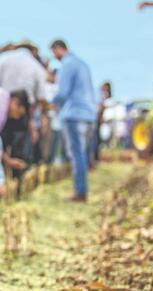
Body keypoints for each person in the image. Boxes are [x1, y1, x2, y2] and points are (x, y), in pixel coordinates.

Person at [50, 39, 97, 202]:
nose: (54, 57)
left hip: (74, 114)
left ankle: (80, 191)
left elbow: (62, 92)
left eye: (54, 53)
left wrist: (51, 103)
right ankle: (81, 189)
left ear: (58, 49)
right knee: (82, 153)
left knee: (76, 154)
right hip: (89, 114)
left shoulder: (67, 65)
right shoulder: (82, 64)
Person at [0, 40, 48, 147]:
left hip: (1, 105)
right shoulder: (36, 66)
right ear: (33, 51)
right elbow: (41, 96)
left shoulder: (3, 58)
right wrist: (42, 115)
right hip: (23, 109)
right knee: (20, 144)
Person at [0, 91, 31, 182]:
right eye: (18, 113)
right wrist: (8, 161)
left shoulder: (13, 120)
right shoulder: (0, 113)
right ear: (15, 102)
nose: (17, 117)